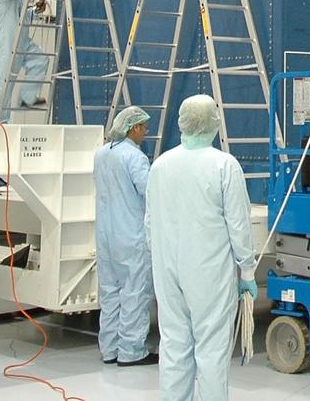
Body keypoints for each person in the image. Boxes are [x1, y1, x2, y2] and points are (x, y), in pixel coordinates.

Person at [147, 95, 257, 401]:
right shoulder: (224, 166)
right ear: (214, 123)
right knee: (212, 351)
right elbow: (239, 224)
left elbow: (149, 223)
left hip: (168, 271)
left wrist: (160, 258)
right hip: (209, 274)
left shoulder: (160, 165)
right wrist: (247, 270)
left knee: (174, 347)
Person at [95, 106, 156, 367]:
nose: (146, 132)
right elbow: (149, 192)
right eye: (144, 127)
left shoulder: (101, 154)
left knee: (110, 292)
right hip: (130, 235)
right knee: (135, 292)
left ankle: (109, 349)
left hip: (105, 234)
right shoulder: (135, 157)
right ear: (133, 128)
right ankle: (131, 351)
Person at [0, 0, 54, 116]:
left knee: (40, 60)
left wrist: (36, 10)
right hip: (6, 45)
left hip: (22, 43)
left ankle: (27, 97)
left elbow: (22, 16)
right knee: (4, 84)